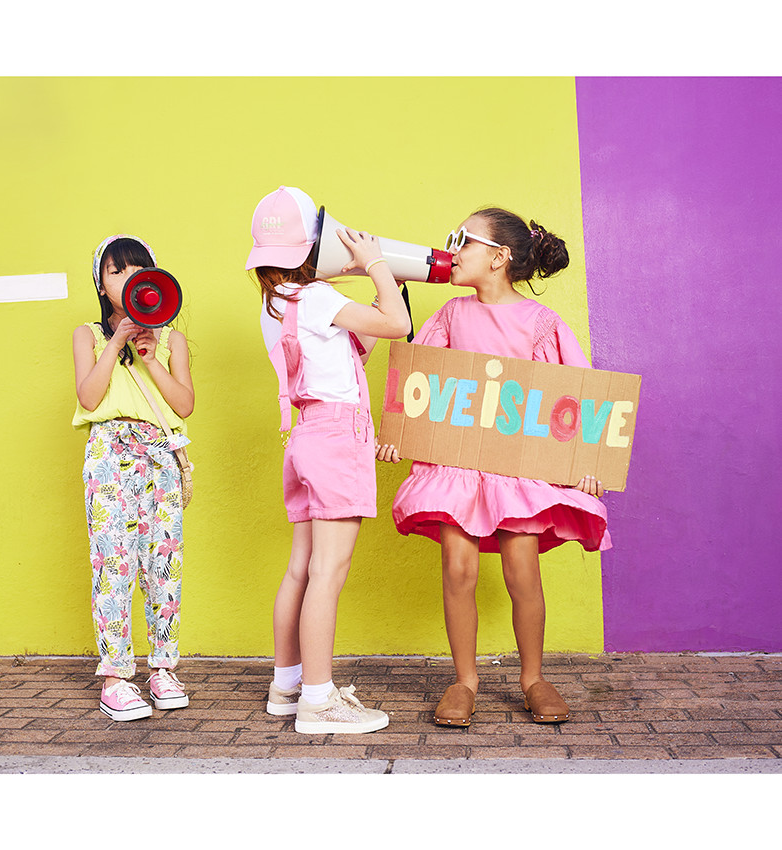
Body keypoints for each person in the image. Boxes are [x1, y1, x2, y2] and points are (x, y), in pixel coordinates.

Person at [379, 207, 610, 727]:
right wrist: (398, 433)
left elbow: (580, 396)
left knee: (522, 570)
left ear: (499, 257)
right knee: (458, 569)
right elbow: (419, 377)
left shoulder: (540, 324)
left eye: (462, 239)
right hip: (459, 466)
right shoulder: (452, 316)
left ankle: (533, 677)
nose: (452, 248)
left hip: (515, 469)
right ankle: (465, 680)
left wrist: (587, 462)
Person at [247, 186, 411, 734]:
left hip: (305, 437)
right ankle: (318, 701)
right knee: (328, 572)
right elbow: (396, 325)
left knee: (301, 568)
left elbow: (360, 334)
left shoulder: (277, 305)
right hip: (337, 438)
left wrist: (375, 279)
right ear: (309, 250)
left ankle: (287, 685)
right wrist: (377, 264)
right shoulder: (315, 298)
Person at [72, 234, 195, 722]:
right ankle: (115, 677)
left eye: (135, 269)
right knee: (113, 563)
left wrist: (147, 355)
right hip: (108, 452)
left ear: (152, 280)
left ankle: (162, 669)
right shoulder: (88, 333)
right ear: (101, 285)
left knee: (163, 562)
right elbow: (89, 396)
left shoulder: (172, 339)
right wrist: (117, 342)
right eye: (115, 271)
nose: (125, 279)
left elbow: (183, 405)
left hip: (158, 451)